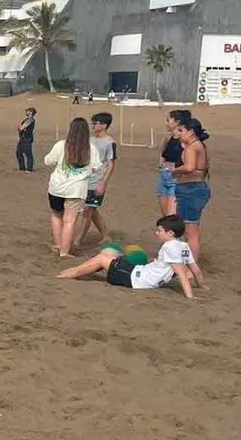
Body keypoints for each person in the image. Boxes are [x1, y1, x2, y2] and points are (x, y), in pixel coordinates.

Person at [57, 216, 205, 299]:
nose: (156, 233)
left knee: (102, 258)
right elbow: (195, 270)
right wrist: (202, 286)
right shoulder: (183, 246)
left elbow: (181, 273)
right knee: (109, 253)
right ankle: (73, 272)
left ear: (170, 233)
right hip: (141, 272)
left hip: (136, 279)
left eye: (160, 231)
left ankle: (68, 274)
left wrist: (190, 296)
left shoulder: (170, 247)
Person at [43, 118, 102, 258]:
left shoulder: (61, 145)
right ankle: (64, 251)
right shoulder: (91, 149)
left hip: (57, 187)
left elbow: (47, 160)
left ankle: (58, 245)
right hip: (76, 189)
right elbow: (96, 167)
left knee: (56, 215)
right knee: (70, 220)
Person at [75, 112, 118, 248]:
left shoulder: (110, 143)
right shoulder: (90, 139)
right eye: (92, 123)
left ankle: (78, 241)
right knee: (92, 210)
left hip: (97, 182)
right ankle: (106, 236)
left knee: (88, 211)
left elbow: (111, 164)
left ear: (104, 125)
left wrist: (102, 183)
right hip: (85, 179)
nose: (93, 126)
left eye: (96, 123)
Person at [172, 117, 210, 260]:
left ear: (191, 132)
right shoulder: (200, 145)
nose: (179, 134)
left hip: (191, 189)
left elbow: (189, 167)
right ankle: (186, 262)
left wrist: (174, 170)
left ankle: (190, 268)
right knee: (188, 229)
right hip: (193, 188)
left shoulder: (192, 147)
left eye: (182, 130)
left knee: (190, 232)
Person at [157, 110, 191, 216]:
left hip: (177, 178)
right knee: (167, 218)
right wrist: (162, 165)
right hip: (163, 177)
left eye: (168, 120)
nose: (166, 123)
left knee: (172, 217)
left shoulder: (186, 140)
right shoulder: (168, 138)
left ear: (177, 122)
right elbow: (163, 154)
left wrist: (175, 168)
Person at [16, 107, 37, 171]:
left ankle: (29, 169)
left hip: (27, 138)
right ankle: (22, 167)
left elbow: (22, 127)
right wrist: (21, 128)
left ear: (31, 112)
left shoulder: (31, 119)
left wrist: (21, 128)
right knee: (18, 153)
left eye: (28, 111)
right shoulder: (27, 119)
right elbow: (20, 128)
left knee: (28, 154)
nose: (26, 112)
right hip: (22, 138)